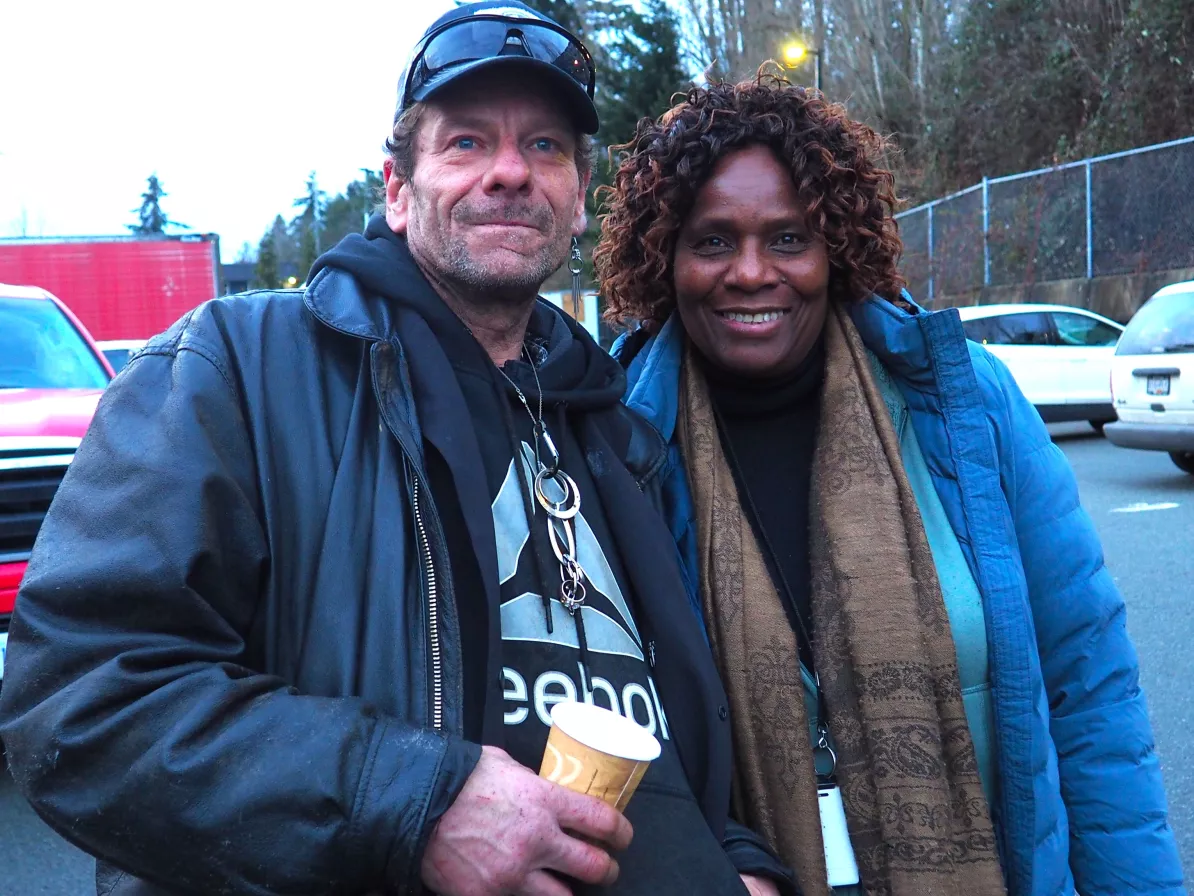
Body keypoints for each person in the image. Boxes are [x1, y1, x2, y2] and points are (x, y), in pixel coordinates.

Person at [0, 8, 793, 895]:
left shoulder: (615, 431)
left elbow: (673, 718)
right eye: (464, 143)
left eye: (544, 146)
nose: (508, 173)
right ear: (397, 188)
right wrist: (413, 802)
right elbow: (82, 700)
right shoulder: (239, 370)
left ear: (577, 198)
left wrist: (738, 861)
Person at [595, 72, 1185, 896]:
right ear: (664, 256)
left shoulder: (968, 405)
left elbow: (1090, 691)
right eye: (713, 241)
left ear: (838, 246)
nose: (752, 271)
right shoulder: (613, 448)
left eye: (790, 238)